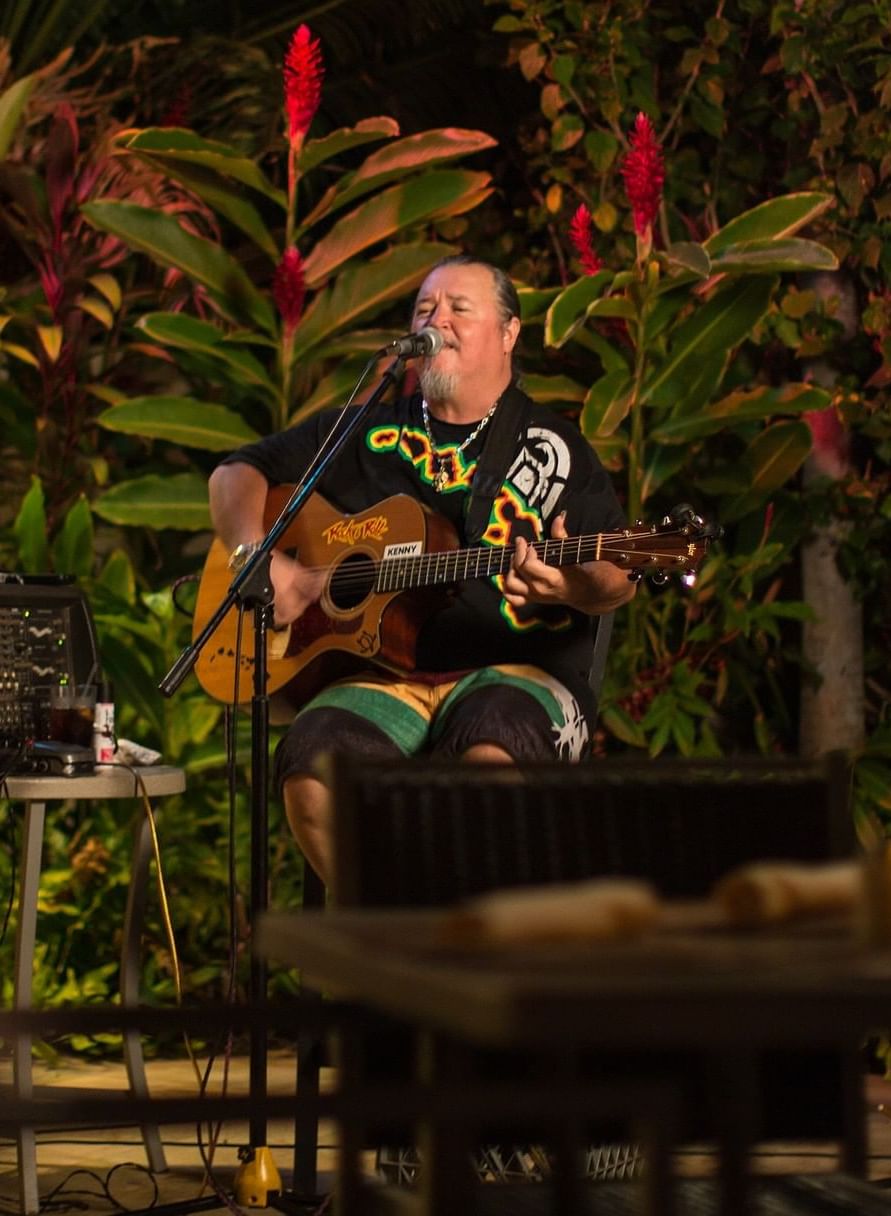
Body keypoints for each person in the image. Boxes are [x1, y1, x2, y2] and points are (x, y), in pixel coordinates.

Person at [208, 255, 635, 883]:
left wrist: (569, 583)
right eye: (425, 309)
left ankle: (447, 952)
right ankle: (392, 945)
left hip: (515, 673)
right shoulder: (363, 429)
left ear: (510, 332)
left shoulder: (554, 447)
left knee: (490, 757)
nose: (439, 320)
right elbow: (235, 473)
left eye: (460, 308)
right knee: (311, 770)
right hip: (382, 673)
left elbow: (617, 574)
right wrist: (255, 556)